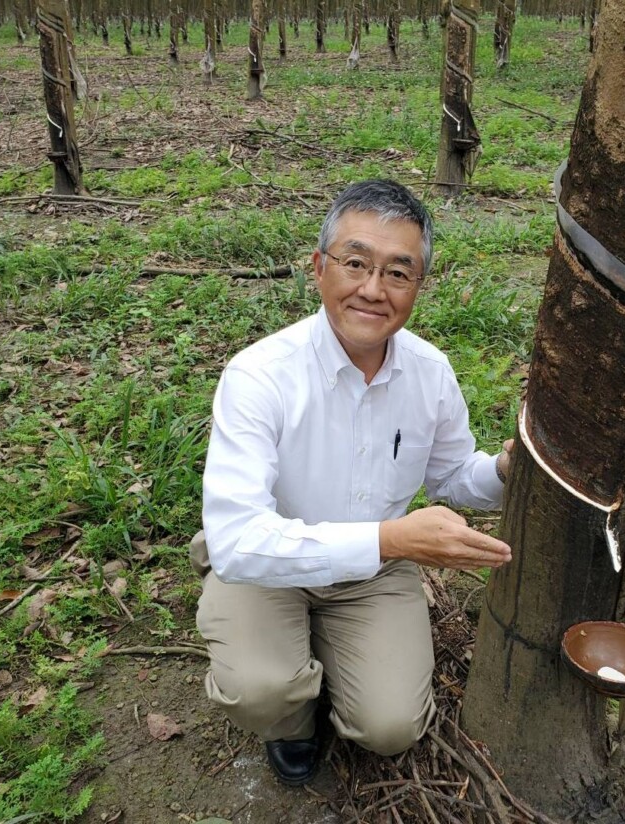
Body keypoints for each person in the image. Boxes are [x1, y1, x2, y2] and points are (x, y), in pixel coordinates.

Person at [192, 179, 514, 787]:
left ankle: (328, 667)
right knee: (261, 689)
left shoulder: (429, 373)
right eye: (355, 263)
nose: (373, 289)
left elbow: (450, 475)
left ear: (419, 286)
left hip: (372, 573)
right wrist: (392, 540)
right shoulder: (261, 375)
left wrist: (500, 472)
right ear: (319, 268)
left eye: (398, 272)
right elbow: (237, 540)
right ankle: (293, 722)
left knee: (391, 726)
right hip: (266, 561)